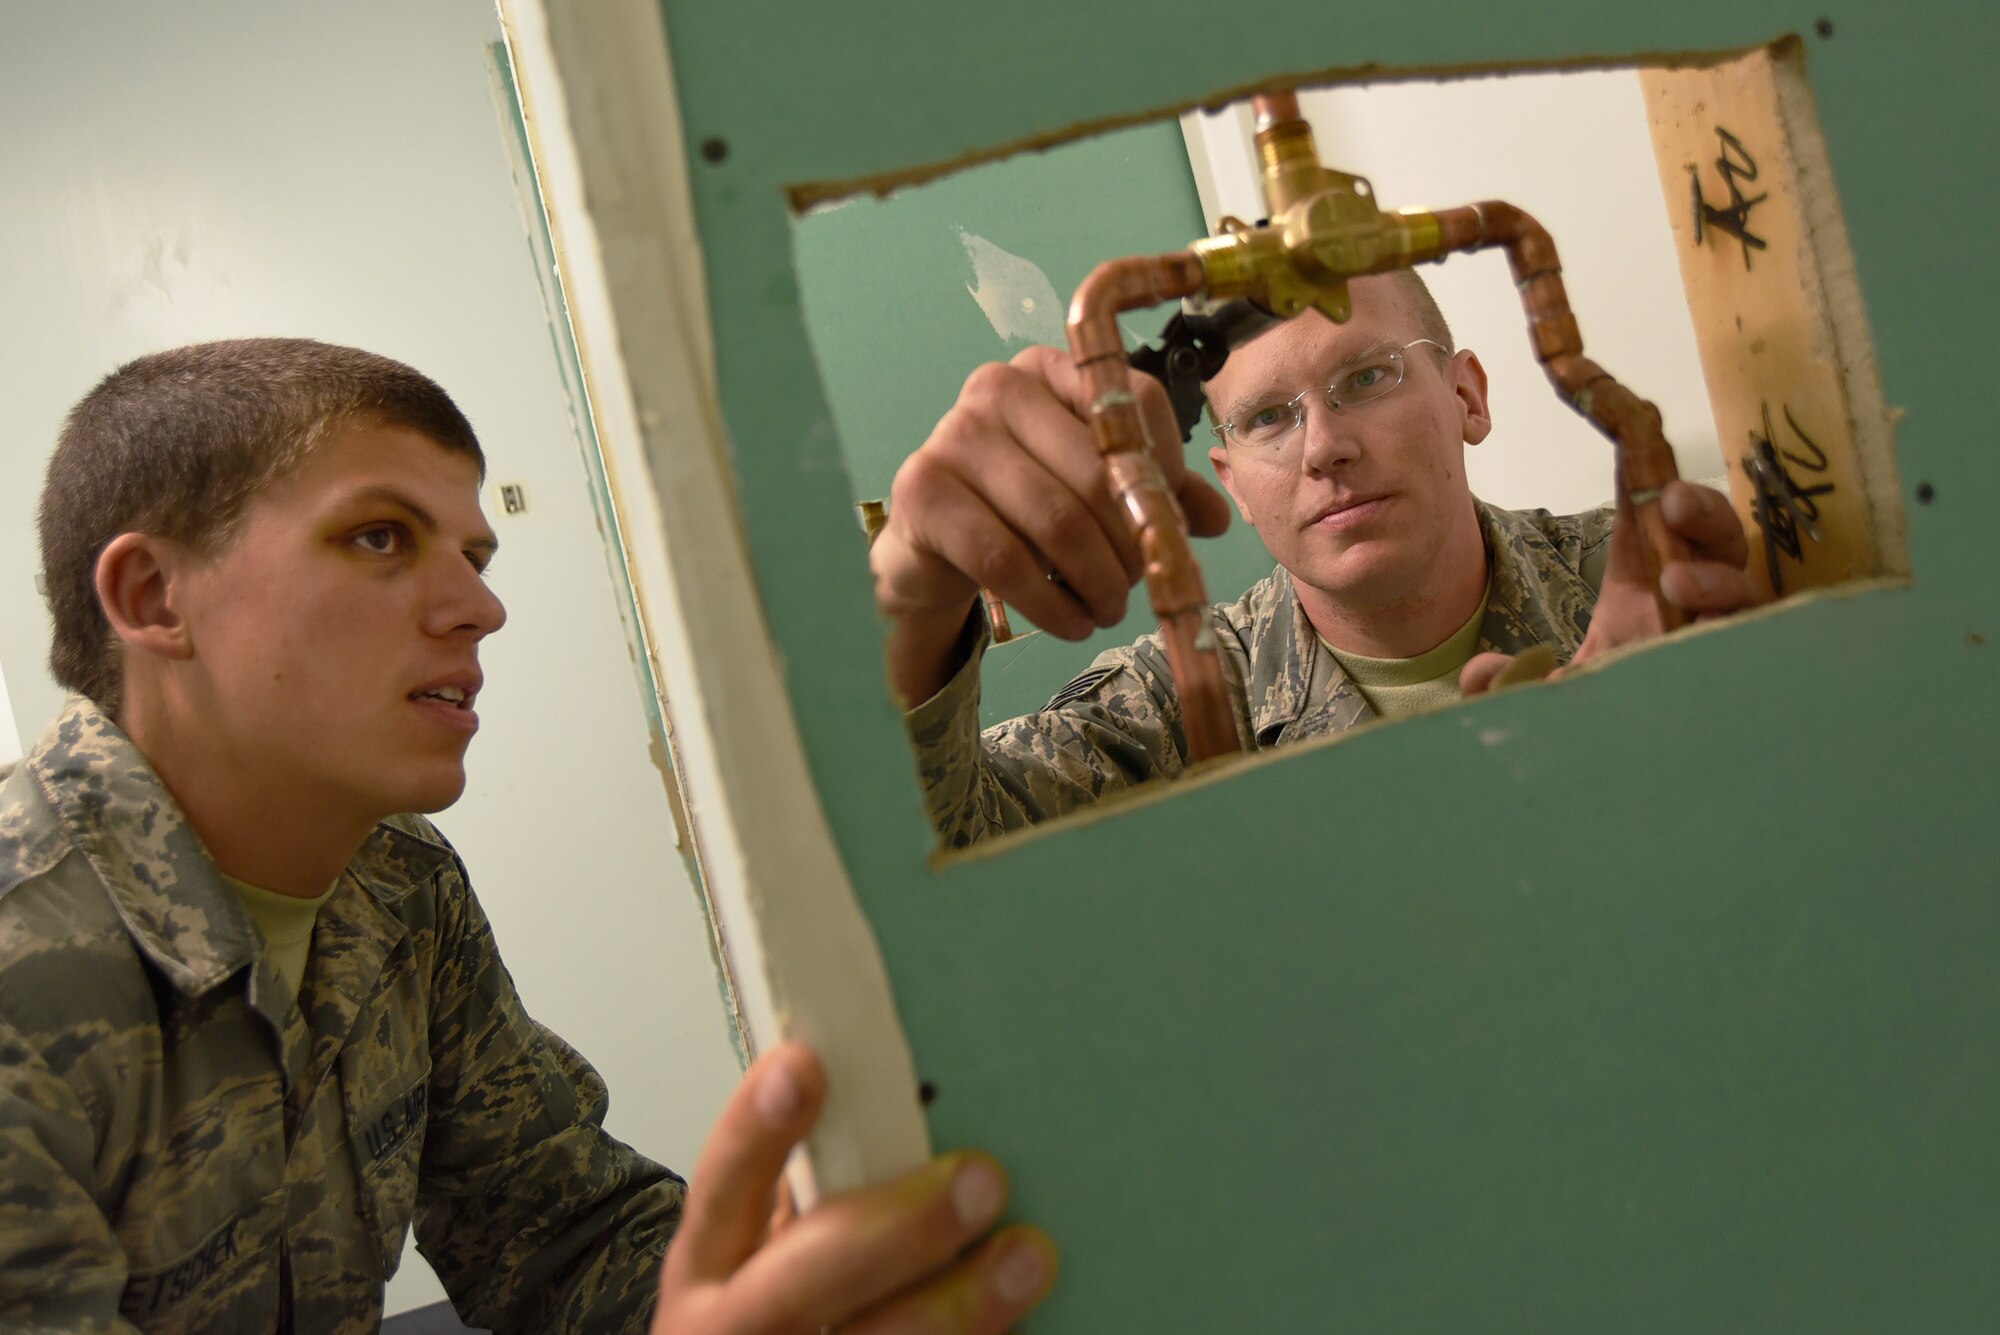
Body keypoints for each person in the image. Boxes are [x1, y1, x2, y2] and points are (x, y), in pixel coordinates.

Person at [0, 339, 1055, 1333]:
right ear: (154, 597)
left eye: (473, 553)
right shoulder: (23, 973)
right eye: (379, 537)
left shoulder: (394, 880)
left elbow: (557, 1232)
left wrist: (780, 1296)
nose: (479, 607)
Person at [870, 271, 1760, 846]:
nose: (1323, 446)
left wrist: (1727, 710)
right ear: (1233, 483)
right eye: (1267, 418)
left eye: (1366, 379)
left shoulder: (1648, 584)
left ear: (1467, 397)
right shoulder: (1179, 706)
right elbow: (926, 851)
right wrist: (913, 606)